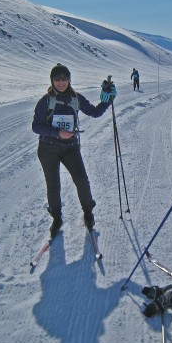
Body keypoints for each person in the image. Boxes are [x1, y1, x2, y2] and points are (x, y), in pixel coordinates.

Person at [32, 64, 117, 238]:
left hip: (70, 147)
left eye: (64, 79)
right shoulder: (46, 100)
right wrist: (57, 133)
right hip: (48, 149)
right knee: (53, 185)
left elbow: (94, 112)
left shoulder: (76, 98)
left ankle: (88, 213)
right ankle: (56, 218)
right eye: (57, 79)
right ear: (52, 81)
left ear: (69, 80)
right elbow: (36, 126)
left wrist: (108, 99)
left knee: (82, 180)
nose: (61, 82)